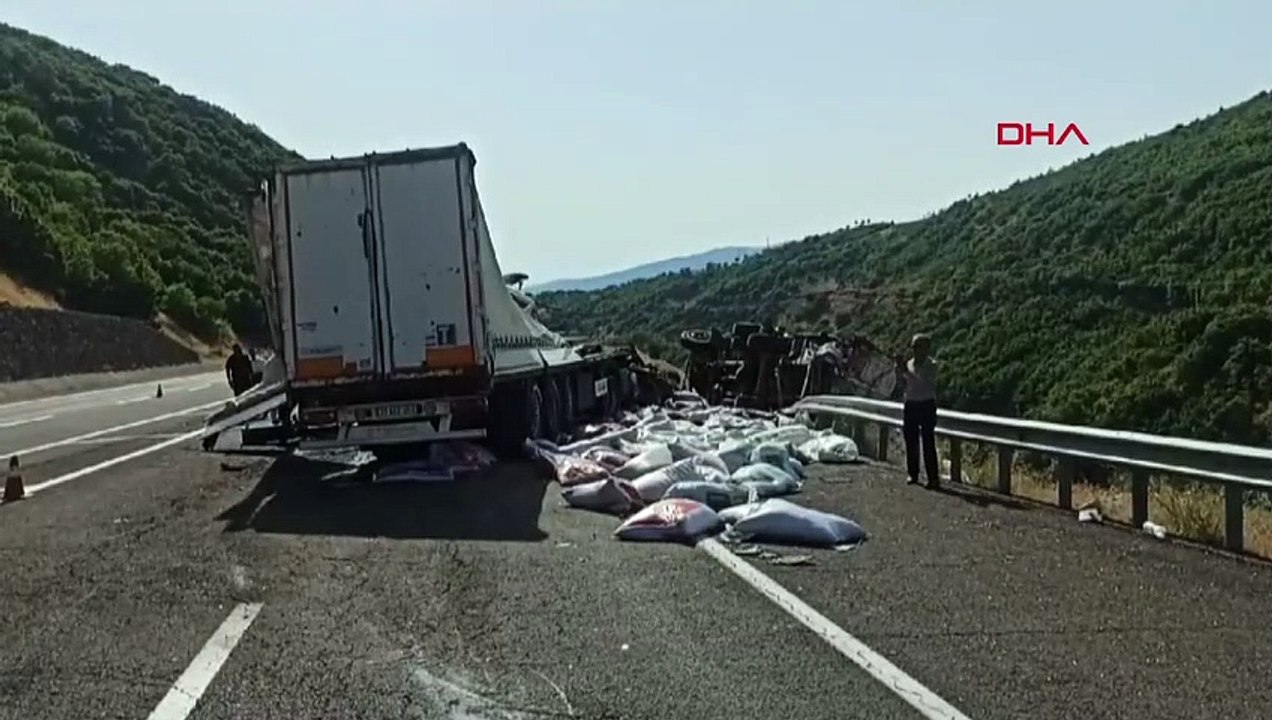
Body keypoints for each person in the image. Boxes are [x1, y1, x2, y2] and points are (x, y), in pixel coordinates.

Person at [895, 333, 940, 488]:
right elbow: (905, 385)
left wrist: (905, 372)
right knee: (911, 441)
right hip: (911, 404)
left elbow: (922, 382)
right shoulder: (909, 364)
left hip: (926, 404)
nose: (915, 351)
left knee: (928, 441)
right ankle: (913, 473)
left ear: (926, 348)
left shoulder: (932, 365)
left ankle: (933, 478)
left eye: (918, 347)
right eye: (913, 347)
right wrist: (899, 373)